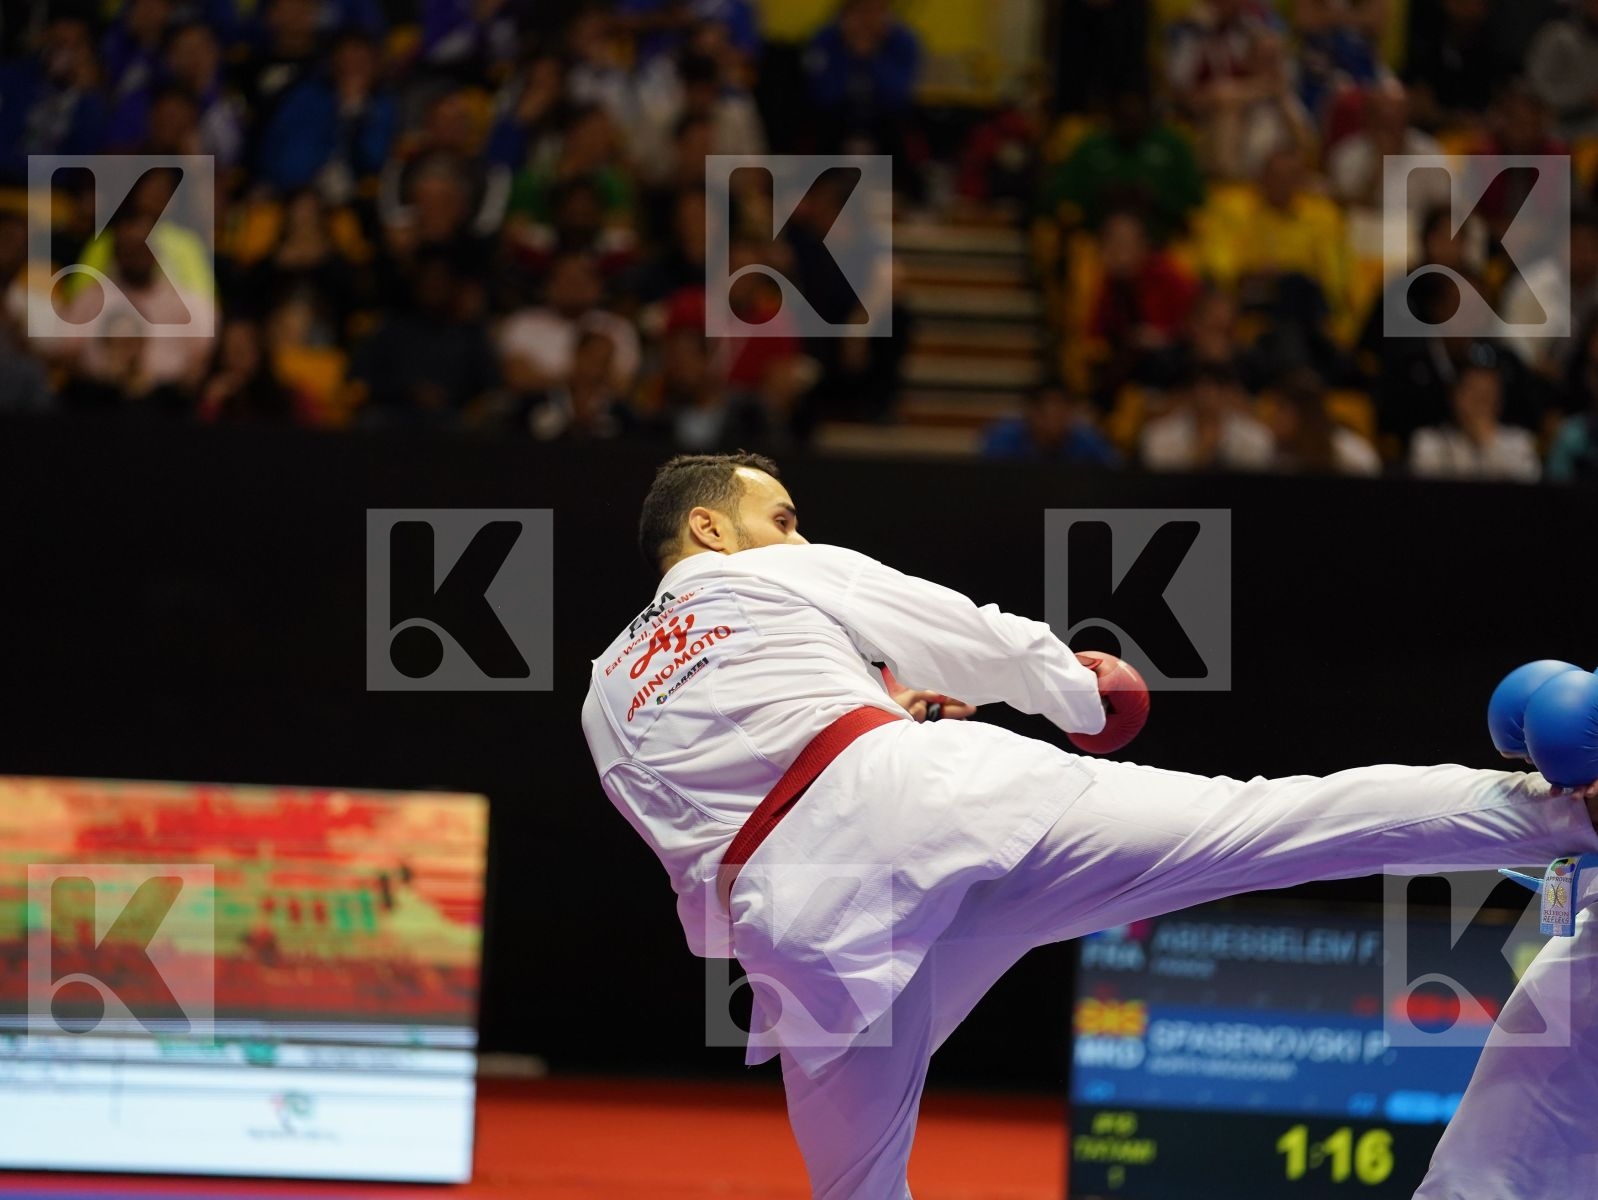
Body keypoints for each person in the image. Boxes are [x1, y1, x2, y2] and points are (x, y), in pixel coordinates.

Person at [581, 452, 1598, 1200]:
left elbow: (699, 862)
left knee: (854, 1190)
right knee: (1271, 821)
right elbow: (960, 630)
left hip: (806, 928)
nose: (796, 536)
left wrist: (883, 741)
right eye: (781, 516)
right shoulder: (769, 572)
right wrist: (1075, 690)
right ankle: (1572, 818)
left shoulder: (604, 697)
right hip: (946, 812)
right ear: (710, 531)